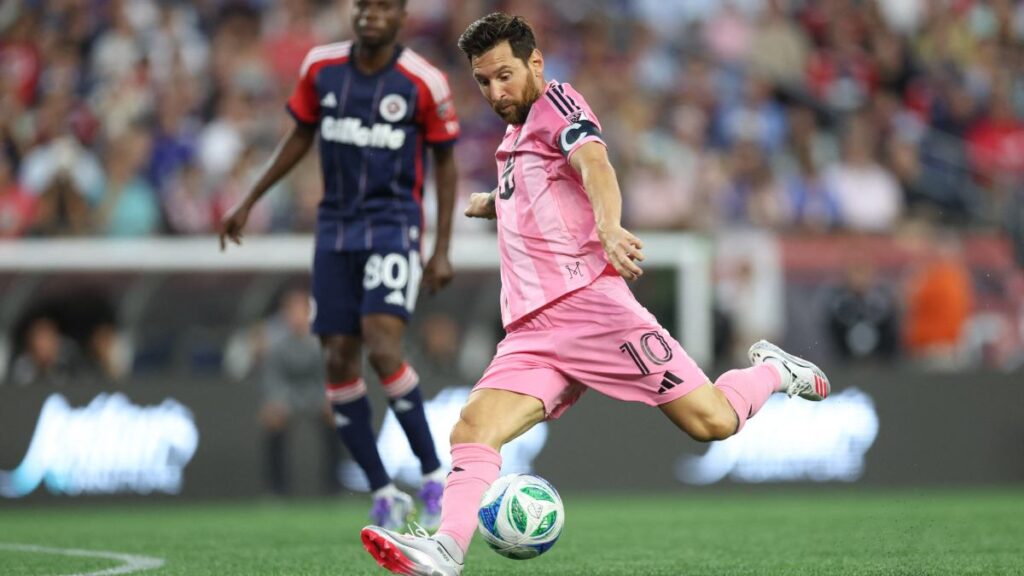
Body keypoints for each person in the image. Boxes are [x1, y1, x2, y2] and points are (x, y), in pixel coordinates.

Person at [359, 13, 832, 575]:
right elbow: (544, 190)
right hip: (531, 332)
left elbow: (594, 164)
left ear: (535, 63)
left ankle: (772, 372)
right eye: (484, 81)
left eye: (505, 75)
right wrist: (496, 202)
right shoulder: (512, 139)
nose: (495, 91)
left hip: (591, 310)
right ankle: (445, 552)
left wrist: (609, 226)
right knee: (473, 427)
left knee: (712, 422)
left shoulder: (558, 104)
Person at [219, 0, 460, 530]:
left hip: (395, 227)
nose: (371, 14)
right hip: (334, 232)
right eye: (364, 5)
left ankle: (432, 476)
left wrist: (441, 248)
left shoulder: (424, 82)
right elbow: (300, 135)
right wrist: (250, 198)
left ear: (401, 18)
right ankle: (382, 490)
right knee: (337, 359)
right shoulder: (320, 68)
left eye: (384, 7)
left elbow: (445, 160)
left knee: (381, 345)